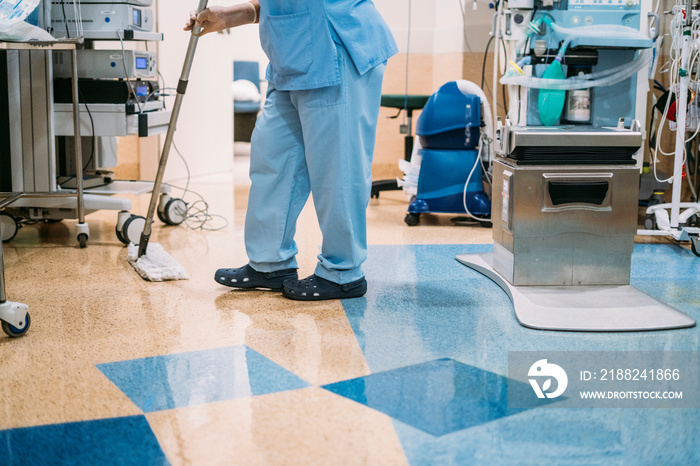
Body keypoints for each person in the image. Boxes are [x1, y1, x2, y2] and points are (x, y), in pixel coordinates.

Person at [185, 1, 397, 301]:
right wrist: (233, 15)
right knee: (272, 159)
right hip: (290, 55)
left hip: (334, 45)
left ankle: (343, 272)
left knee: (338, 167)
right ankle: (270, 263)